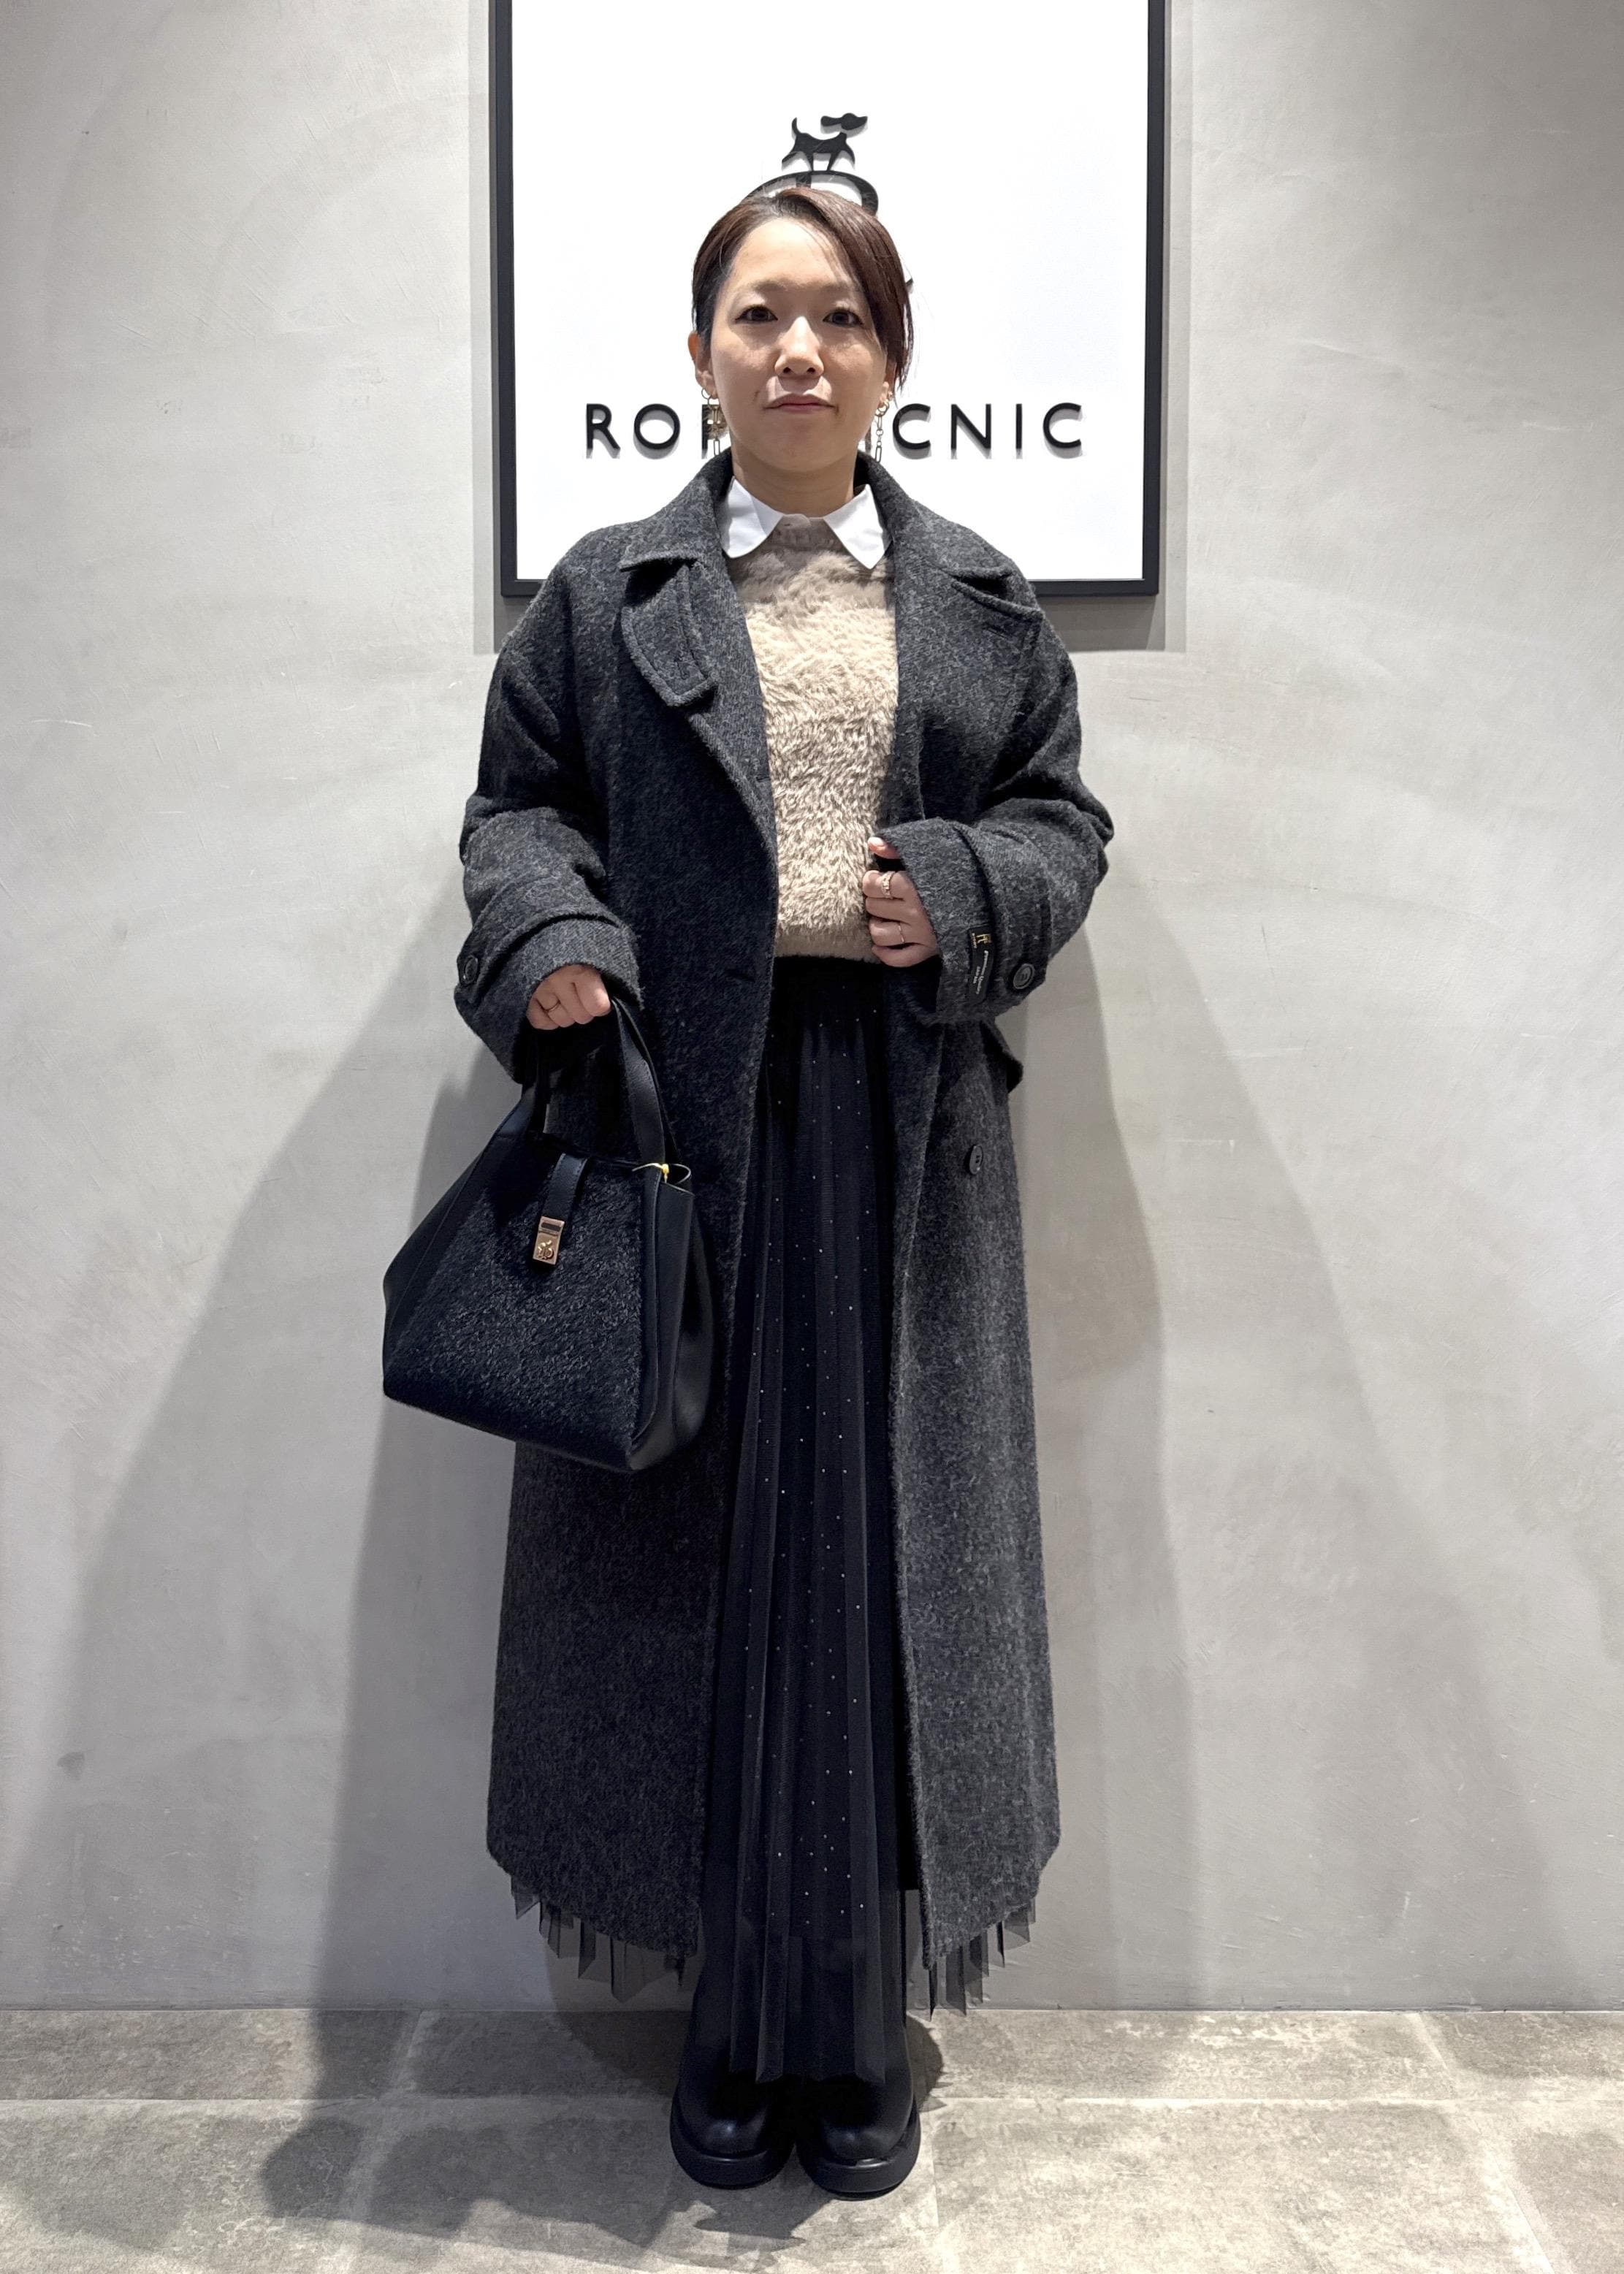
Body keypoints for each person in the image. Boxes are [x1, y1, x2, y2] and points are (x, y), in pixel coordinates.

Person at [453, 183, 1115, 2199]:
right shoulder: (609, 592)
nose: (798, 350)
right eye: (758, 314)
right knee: (707, 1579)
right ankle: (732, 2030)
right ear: (699, 352)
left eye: (838, 316)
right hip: (677, 1129)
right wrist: (556, 941)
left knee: (871, 1580)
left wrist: (969, 894)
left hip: (894, 1142)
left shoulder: (977, 596)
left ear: (892, 359)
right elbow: (519, 810)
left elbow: (1061, 816)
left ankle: (849, 2032)